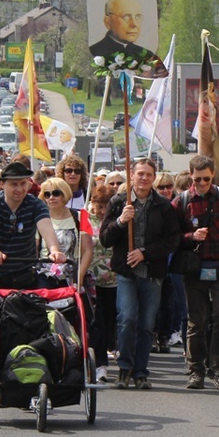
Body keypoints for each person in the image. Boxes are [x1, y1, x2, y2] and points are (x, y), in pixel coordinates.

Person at [99, 158, 179, 390]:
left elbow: (172, 240)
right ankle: (124, 368)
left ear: (154, 178)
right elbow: (105, 238)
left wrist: (145, 252)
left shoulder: (163, 206)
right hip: (126, 273)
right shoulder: (118, 202)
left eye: (148, 174)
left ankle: (141, 371)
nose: (144, 178)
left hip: (151, 273)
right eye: (140, 174)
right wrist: (122, 221)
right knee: (127, 319)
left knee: (146, 324)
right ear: (132, 176)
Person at [173, 156, 219, 391]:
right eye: (197, 179)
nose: (201, 183)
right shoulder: (181, 202)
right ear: (190, 176)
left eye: (206, 179)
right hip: (194, 268)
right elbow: (171, 238)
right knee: (195, 321)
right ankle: (196, 371)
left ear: (213, 176)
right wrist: (191, 237)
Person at [0, 162, 66, 289]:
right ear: (2, 184)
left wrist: (54, 251)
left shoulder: (36, 204)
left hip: (26, 274)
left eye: (23, 183)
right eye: (14, 184)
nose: (19, 189)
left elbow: (46, 229)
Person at [37, 178, 94, 289]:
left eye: (56, 193)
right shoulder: (39, 219)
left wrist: (79, 275)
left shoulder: (81, 217)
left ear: (65, 194)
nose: (51, 198)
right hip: (45, 278)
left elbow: (88, 250)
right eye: (47, 195)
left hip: (73, 276)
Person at [88, 185, 118, 384]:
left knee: (111, 318)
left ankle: (111, 346)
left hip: (113, 277)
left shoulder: (115, 221)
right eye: (98, 206)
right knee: (96, 321)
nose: (101, 210)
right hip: (92, 277)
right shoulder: (85, 220)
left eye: (104, 206)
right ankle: (99, 363)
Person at [152, 172, 177, 354]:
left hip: (173, 263)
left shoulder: (177, 205)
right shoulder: (154, 207)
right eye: (161, 187)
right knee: (154, 303)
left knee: (168, 303)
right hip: (155, 261)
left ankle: (164, 336)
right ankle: (153, 334)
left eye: (169, 187)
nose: (166, 190)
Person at [89, 0, 156, 59]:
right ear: (108, 22)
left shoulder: (148, 56)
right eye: (126, 17)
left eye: (138, 17)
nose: (134, 24)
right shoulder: (93, 54)